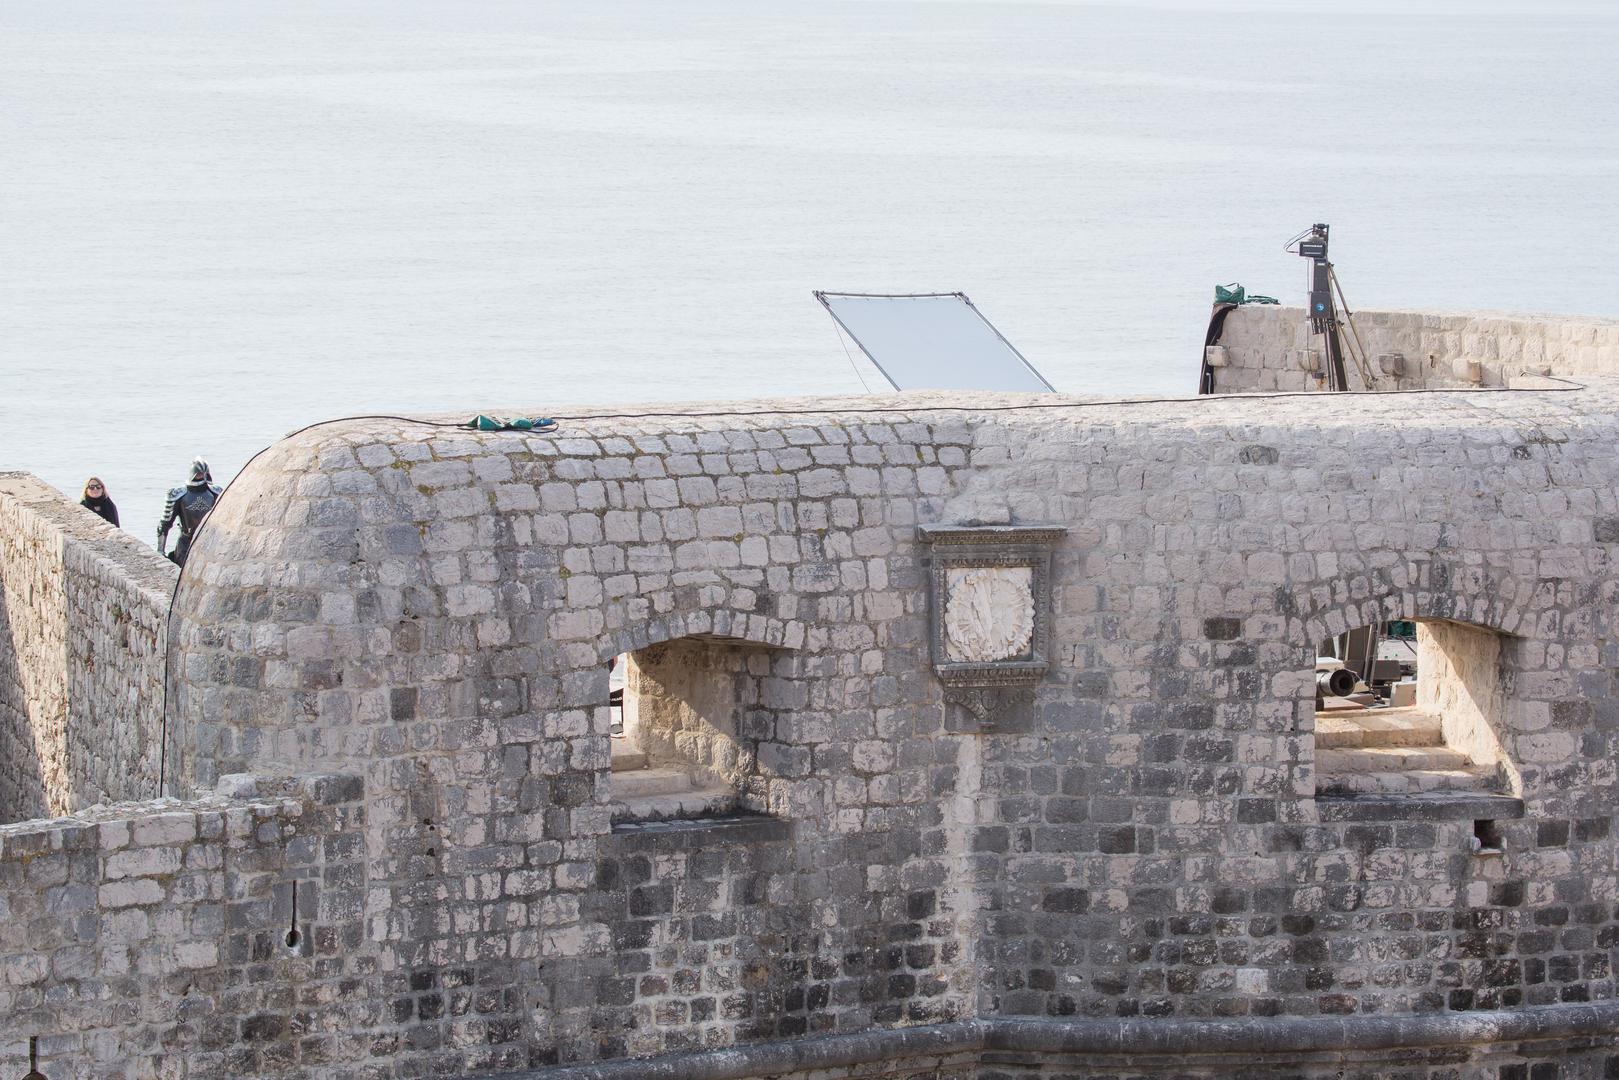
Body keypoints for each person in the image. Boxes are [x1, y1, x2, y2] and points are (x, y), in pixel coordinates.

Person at [158, 458, 223, 567]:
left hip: (209, 541)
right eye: (198, 474)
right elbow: (165, 524)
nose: (200, 476)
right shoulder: (178, 494)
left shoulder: (215, 492)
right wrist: (160, 550)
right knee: (182, 569)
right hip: (186, 541)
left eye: (202, 474)